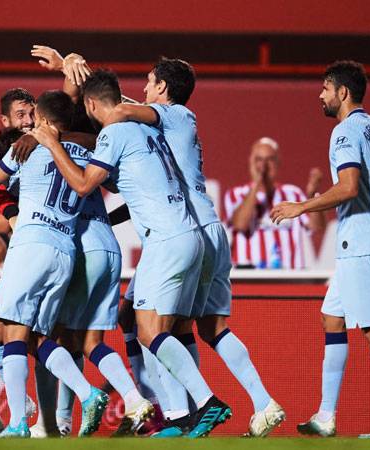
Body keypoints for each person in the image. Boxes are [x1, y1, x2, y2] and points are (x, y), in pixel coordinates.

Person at [30, 69, 231, 438]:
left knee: (150, 330)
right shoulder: (147, 129)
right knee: (138, 320)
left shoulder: (114, 132)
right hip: (189, 233)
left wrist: (52, 144)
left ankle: (203, 403)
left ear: (90, 104)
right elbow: (131, 181)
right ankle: (177, 414)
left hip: (167, 240)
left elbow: (82, 184)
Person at [104, 56, 285, 437]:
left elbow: (115, 107)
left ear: (164, 90)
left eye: (150, 83)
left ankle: (179, 413)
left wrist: (84, 78)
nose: (145, 89)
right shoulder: (171, 126)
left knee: (154, 326)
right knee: (205, 326)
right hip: (206, 227)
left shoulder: (175, 115)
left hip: (185, 231)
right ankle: (261, 402)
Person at [271, 60, 370, 439]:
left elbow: (349, 186)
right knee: (332, 319)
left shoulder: (344, 132)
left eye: (325, 88)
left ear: (343, 93)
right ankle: (325, 416)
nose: (320, 95)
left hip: (360, 240)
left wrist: (301, 207)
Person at [0, 90, 110, 438]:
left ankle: (18, 422)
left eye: (35, 118)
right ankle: (87, 393)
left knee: (13, 329)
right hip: (65, 250)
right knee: (32, 335)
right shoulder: (85, 150)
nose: (30, 123)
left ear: (43, 121)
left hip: (32, 244)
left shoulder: (24, 150)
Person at [225, 138, 325, 269]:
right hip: (249, 278)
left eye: (270, 159)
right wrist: (257, 184)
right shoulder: (236, 194)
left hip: (289, 278)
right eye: (259, 160)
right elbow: (240, 224)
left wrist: (313, 195)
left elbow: (316, 227)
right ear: (251, 163)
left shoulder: (293, 194)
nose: (264, 166)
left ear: (278, 163)